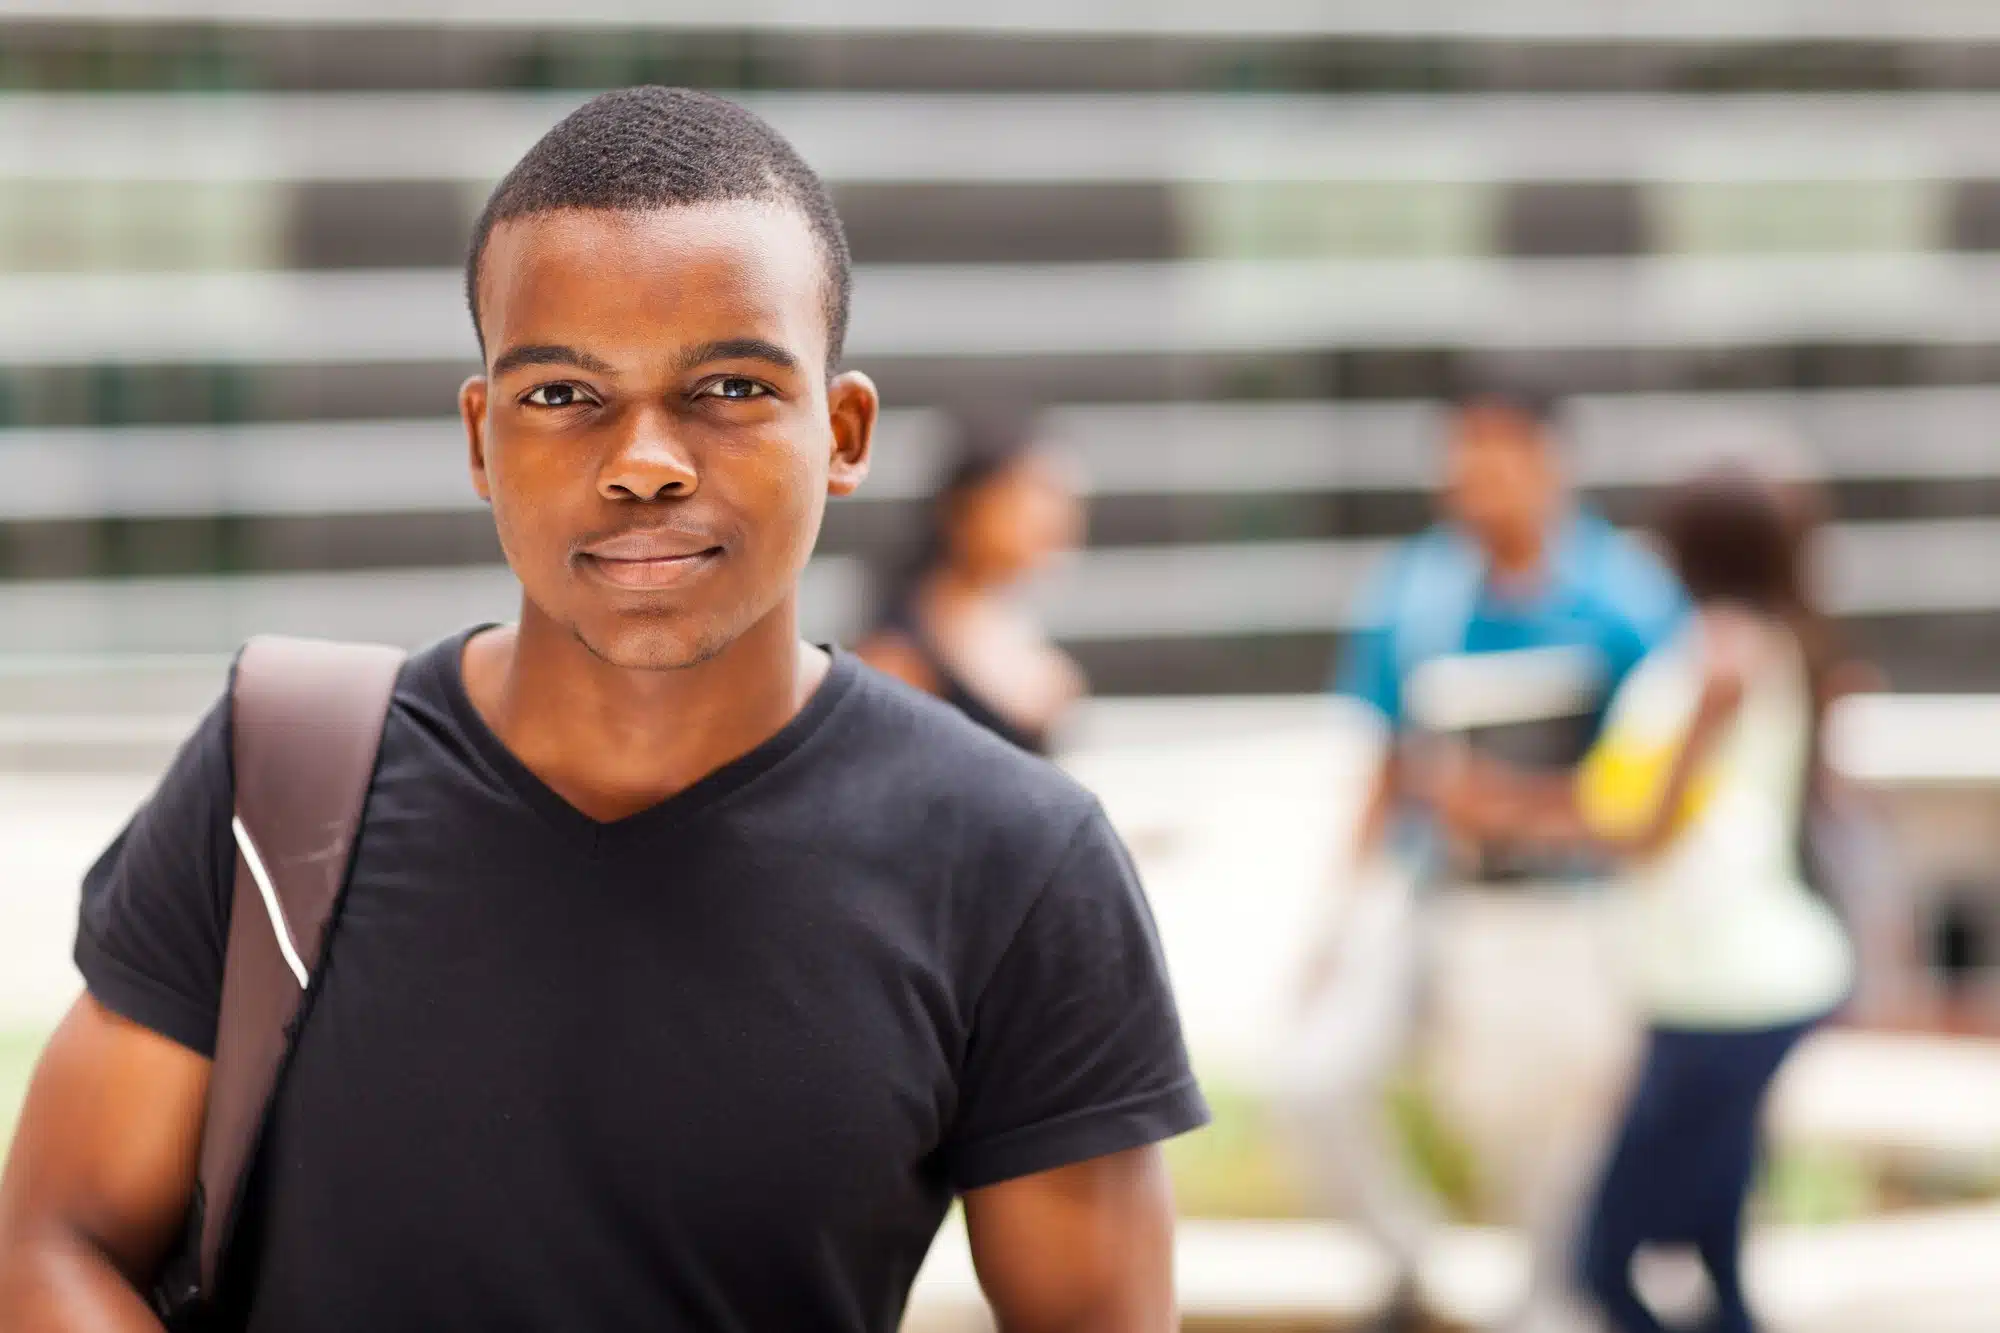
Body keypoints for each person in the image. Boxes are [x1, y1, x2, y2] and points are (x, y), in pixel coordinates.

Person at [0, 88, 1207, 1332]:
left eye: (729, 387)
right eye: (562, 396)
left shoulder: (1016, 857)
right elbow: (57, 1240)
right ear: (481, 441)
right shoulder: (282, 772)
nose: (644, 461)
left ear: (842, 432)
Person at [1281, 378, 1686, 1330]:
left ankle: (1543, 1299)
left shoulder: (1627, 600)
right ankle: (1419, 1270)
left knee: (1545, 1144)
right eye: (1462, 452)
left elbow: (1660, 793)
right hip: (1435, 895)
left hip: (1571, 915)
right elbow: (1383, 769)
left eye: (1497, 451)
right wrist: (1336, 916)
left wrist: (1516, 808)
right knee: (1317, 1075)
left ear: (1550, 460)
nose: (1475, 476)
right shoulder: (1413, 593)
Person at [1433, 463, 1854, 1333]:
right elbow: (1624, 802)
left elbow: (1639, 827)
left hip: (1722, 995)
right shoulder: (1748, 646)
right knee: (1712, 1257)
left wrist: (1500, 811)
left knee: (1605, 1260)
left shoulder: (1720, 662)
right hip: (1738, 986)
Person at [855, 405, 1086, 754]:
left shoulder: (1006, 617)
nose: (1052, 519)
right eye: (1029, 497)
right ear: (965, 508)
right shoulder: (899, 652)